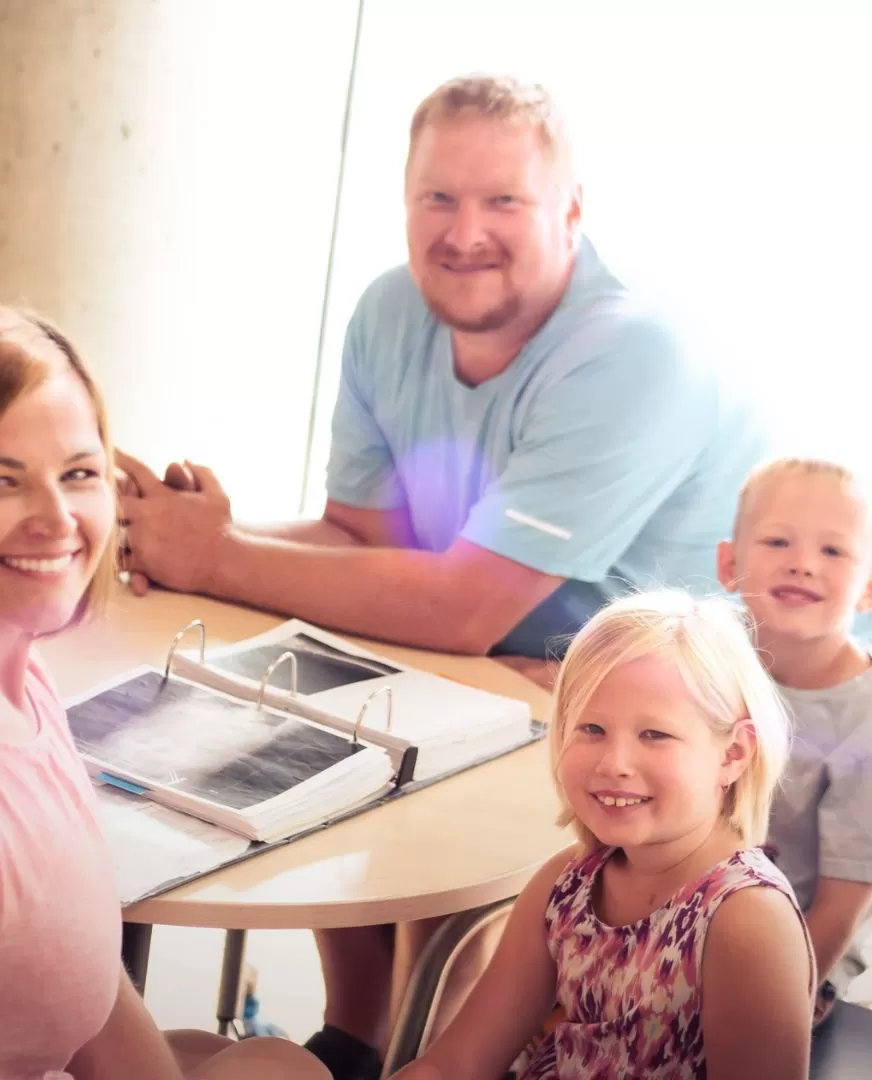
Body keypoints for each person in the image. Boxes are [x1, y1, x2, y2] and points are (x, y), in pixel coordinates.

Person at [116, 73, 767, 1077]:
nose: (466, 232)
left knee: (418, 764)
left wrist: (216, 555)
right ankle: (358, 1037)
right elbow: (367, 547)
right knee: (338, 688)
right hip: (488, 661)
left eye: (504, 199)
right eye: (438, 198)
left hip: (628, 706)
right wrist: (195, 533)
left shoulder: (634, 352)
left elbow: (463, 605)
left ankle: (408, 1036)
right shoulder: (388, 312)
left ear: (573, 212)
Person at [0, 304, 330, 1080]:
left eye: (79, 473)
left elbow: (67, 959)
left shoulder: (10, 663)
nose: (57, 519)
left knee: (268, 1061)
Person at [389, 590, 814, 1080]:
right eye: (592, 728)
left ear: (733, 754)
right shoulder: (564, 884)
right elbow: (459, 1061)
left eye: (654, 735)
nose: (615, 764)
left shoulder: (747, 918)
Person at [718, 457, 872, 1024]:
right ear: (729, 563)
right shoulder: (703, 657)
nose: (803, 565)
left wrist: (775, 1000)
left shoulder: (865, 727)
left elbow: (843, 903)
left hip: (799, 947)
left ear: (868, 588)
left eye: (833, 551)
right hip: (686, 909)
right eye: (778, 541)